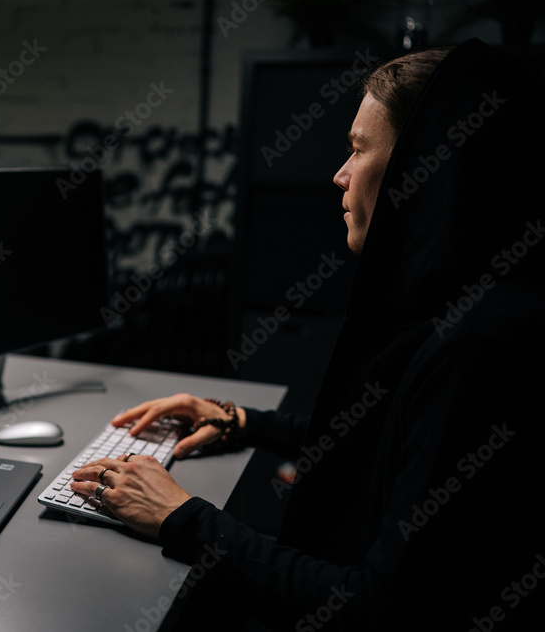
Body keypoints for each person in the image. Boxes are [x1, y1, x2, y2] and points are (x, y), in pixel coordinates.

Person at [70, 38, 545, 630]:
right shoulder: (466, 301)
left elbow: (381, 610)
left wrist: (182, 515)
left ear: (427, 169)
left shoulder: (481, 345)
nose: (340, 176)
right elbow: (387, 440)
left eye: (358, 150)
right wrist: (240, 420)